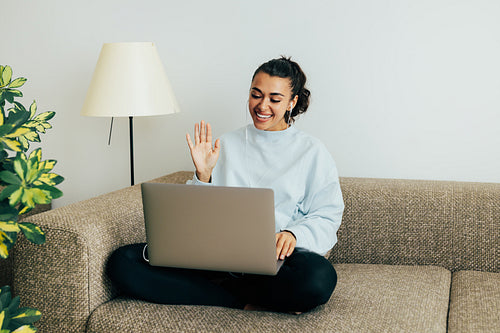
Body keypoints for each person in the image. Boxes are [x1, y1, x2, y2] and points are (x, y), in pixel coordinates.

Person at [107, 56, 344, 314]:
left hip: (272, 266)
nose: (262, 105)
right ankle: (239, 302)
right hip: (214, 260)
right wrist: (203, 175)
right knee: (123, 261)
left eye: (274, 99)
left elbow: (327, 214)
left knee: (318, 278)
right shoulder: (226, 144)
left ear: (292, 102)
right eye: (256, 95)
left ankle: (215, 293)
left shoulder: (312, 152)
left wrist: (293, 234)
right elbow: (193, 217)